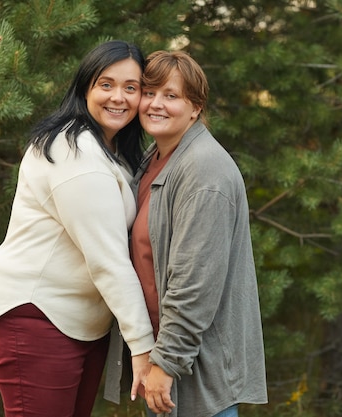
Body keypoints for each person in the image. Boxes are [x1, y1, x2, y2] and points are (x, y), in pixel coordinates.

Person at [0, 40, 155, 417]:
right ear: (85, 87)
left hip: (79, 323)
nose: (118, 97)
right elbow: (109, 260)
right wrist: (143, 346)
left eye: (131, 87)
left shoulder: (112, 152)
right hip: (35, 313)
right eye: (106, 84)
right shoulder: (76, 153)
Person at [104, 50, 268, 417]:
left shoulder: (204, 171)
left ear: (195, 108)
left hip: (193, 372)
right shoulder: (155, 158)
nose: (155, 104)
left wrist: (166, 364)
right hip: (166, 360)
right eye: (149, 93)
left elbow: (195, 283)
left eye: (171, 96)